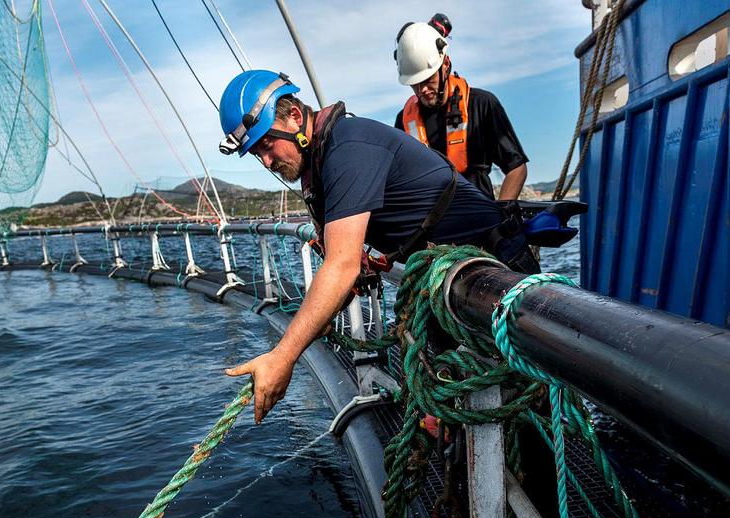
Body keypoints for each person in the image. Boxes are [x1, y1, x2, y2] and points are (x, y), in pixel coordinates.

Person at [217, 70, 536, 423]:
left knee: (528, 407)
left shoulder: (348, 148)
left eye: (266, 145)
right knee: (465, 408)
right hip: (449, 283)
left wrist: (282, 357)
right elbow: (346, 258)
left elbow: (341, 266)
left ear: (294, 117)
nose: (266, 162)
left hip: (496, 272)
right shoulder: (323, 161)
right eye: (255, 154)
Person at [393, 14, 529, 201]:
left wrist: (500, 218)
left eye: (428, 80)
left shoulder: (482, 104)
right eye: (414, 84)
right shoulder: (403, 121)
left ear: (445, 64)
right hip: (429, 224)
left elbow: (516, 168)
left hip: (478, 217)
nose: (422, 90)